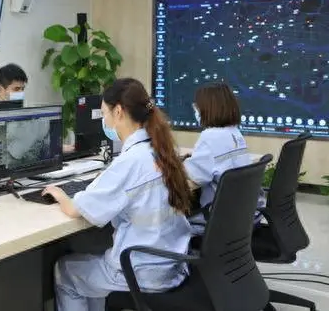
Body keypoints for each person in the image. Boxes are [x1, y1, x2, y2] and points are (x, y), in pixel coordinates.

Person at [42, 78, 193, 311]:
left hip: (141, 271)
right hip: (173, 263)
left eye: (104, 114)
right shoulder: (161, 150)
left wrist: (60, 194)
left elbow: (75, 209)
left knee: (66, 272)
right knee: (91, 255)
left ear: (119, 112)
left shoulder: (130, 161)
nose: (104, 121)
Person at [183, 82, 262, 231]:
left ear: (208, 108)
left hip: (216, 219)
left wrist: (175, 163)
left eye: (197, 106)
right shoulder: (235, 133)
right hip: (240, 215)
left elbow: (196, 176)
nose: (196, 110)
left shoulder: (209, 136)